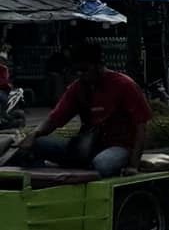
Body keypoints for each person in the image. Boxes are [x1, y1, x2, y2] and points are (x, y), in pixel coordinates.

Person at [21, 39, 150, 175]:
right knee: (34, 146)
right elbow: (55, 119)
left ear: (99, 65)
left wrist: (133, 165)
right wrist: (34, 134)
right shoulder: (77, 87)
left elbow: (141, 127)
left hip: (118, 147)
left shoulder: (124, 85)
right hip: (87, 145)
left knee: (102, 164)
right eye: (77, 71)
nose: (80, 74)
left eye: (84, 70)